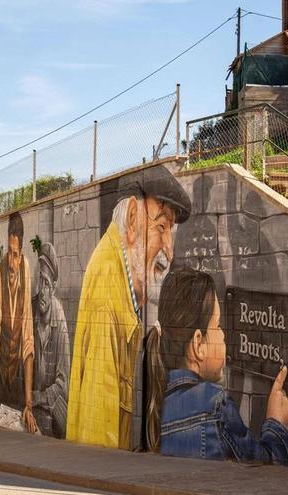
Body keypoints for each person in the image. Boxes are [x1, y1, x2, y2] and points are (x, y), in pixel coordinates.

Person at [67, 165, 191, 449]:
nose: (169, 250)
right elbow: (99, 429)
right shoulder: (108, 293)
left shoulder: (116, 276)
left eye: (170, 230)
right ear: (133, 219)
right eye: (161, 227)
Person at [144, 268, 288, 465]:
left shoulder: (157, 399)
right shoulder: (215, 405)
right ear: (198, 344)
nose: (223, 334)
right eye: (218, 326)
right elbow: (263, 472)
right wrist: (277, 424)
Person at [0, 212, 37, 433]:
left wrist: (28, 403)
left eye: (15, 254)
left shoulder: (25, 271)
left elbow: (28, 337)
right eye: (9, 253)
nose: (12, 263)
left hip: (17, 377)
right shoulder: (0, 270)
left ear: (21, 253)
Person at [30, 242, 70, 438]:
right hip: (33, 409)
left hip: (54, 413)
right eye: (40, 281)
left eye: (47, 284)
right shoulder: (30, 311)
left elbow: (63, 383)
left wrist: (39, 397)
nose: (42, 291)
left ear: (53, 287)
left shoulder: (59, 319)